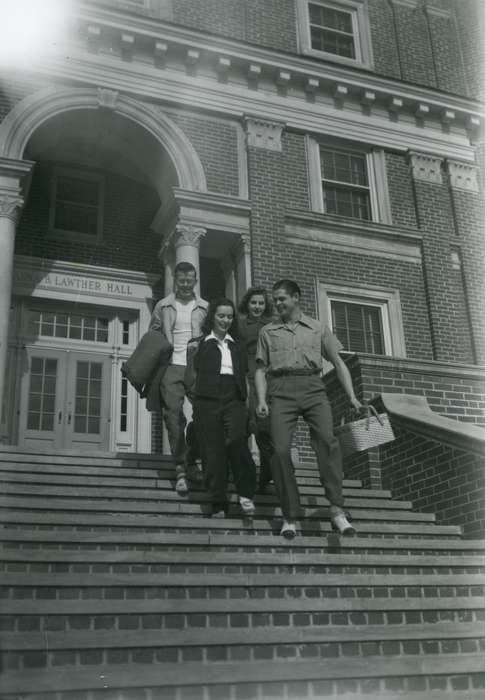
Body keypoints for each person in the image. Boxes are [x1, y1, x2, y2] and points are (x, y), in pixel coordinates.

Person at [255, 279, 362, 539]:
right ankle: (290, 515)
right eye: (275, 299)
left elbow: (338, 362)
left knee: (328, 441)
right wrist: (260, 399)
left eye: (282, 298)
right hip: (280, 390)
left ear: (296, 298)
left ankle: (337, 510)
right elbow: (259, 369)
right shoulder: (267, 331)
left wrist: (353, 397)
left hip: (313, 387)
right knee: (279, 450)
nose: (277, 303)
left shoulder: (317, 327)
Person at [186, 298, 257, 518]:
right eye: (221, 316)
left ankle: (245, 493)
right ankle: (218, 502)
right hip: (206, 399)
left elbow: (245, 377)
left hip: (233, 397)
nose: (225, 320)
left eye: (229, 316)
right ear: (212, 317)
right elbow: (190, 378)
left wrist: (247, 403)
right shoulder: (200, 344)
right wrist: (190, 359)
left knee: (237, 439)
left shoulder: (237, 345)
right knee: (213, 451)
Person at [150, 261, 208, 495]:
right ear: (175, 280)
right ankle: (181, 469)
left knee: (204, 415)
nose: (185, 284)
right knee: (173, 418)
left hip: (197, 367)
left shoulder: (204, 306)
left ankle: (192, 457)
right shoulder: (163, 305)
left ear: (195, 281)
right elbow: (152, 334)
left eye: (189, 280)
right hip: (172, 366)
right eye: (181, 280)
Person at [238, 287, 274, 494]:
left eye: (261, 303)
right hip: (246, 376)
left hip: (266, 378)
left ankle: (267, 475)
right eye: (254, 303)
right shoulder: (241, 326)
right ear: (247, 304)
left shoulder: (271, 325)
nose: (257, 307)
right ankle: (248, 476)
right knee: (244, 428)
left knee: (264, 430)